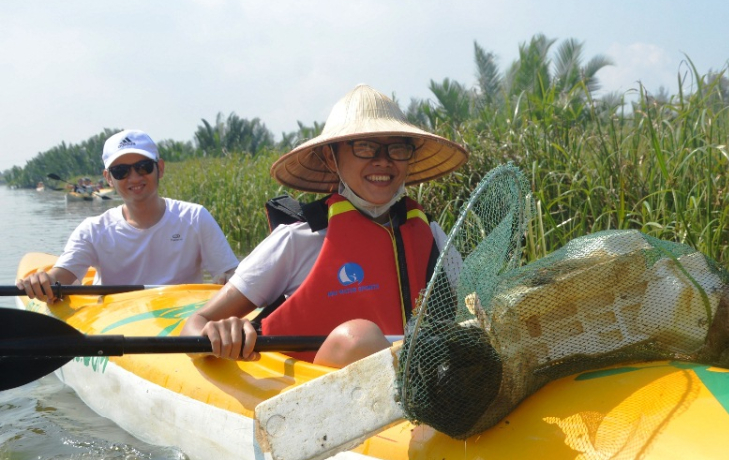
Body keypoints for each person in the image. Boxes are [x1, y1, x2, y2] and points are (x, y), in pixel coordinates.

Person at [181, 84, 469, 367]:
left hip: (423, 394)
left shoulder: (431, 236)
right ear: (332, 158)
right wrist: (217, 333)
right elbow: (196, 323)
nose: (383, 162)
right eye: (365, 147)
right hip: (317, 396)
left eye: (396, 149)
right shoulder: (297, 239)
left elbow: (476, 312)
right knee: (359, 339)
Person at [16, 129, 239, 302]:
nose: (133, 178)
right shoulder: (93, 230)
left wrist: (232, 278)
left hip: (180, 318)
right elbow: (60, 278)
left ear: (159, 168)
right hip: (119, 324)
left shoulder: (195, 217)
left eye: (143, 167)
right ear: (108, 178)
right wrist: (43, 281)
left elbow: (231, 274)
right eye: (120, 171)